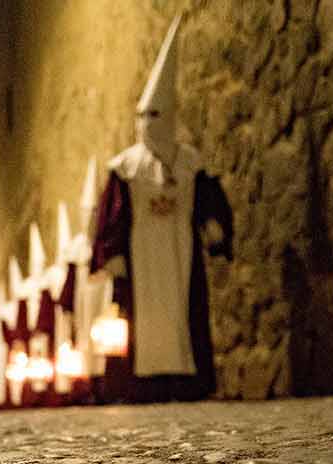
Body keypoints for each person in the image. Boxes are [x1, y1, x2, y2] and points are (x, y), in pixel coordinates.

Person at [91, 14, 234, 403]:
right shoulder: (126, 167)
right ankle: (143, 385)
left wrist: (212, 227)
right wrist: (113, 254)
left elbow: (206, 200)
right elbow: (112, 214)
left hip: (179, 247)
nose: (146, 123)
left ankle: (187, 382)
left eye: (154, 115)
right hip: (142, 253)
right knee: (144, 319)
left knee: (184, 313)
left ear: (169, 115)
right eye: (141, 116)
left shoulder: (189, 162)